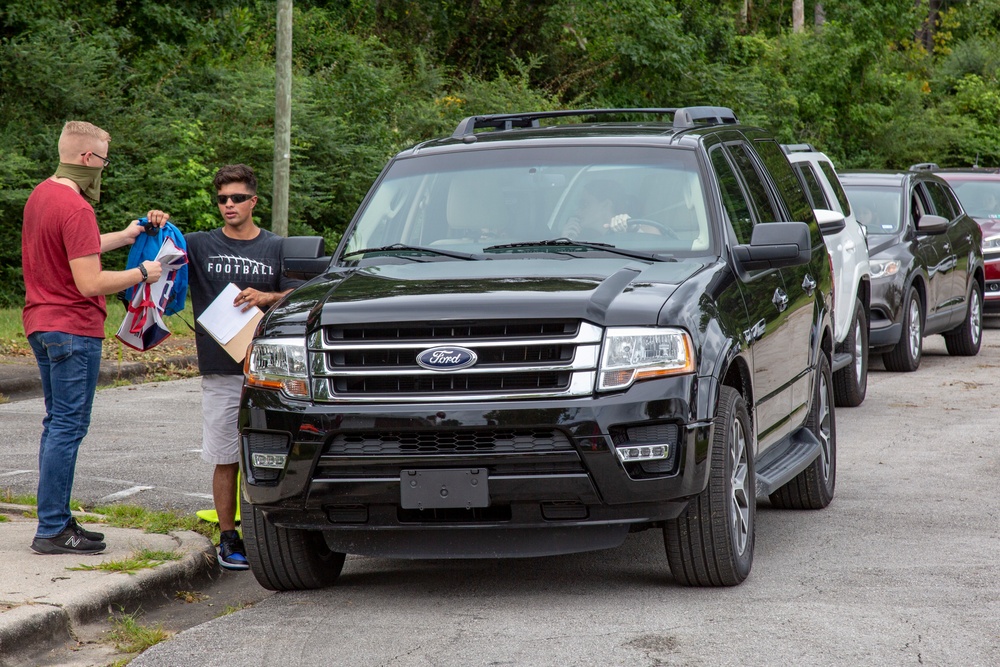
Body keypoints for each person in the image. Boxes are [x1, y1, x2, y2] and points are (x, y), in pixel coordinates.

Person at [22, 120, 167, 555]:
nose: (104, 166)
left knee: (57, 424)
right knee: (68, 426)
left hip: (40, 323)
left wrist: (124, 237)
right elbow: (89, 282)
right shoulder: (77, 206)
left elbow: (76, 247)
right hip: (73, 328)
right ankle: (51, 529)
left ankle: (57, 519)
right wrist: (144, 272)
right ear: (88, 158)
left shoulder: (43, 195)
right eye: (103, 158)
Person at [185, 164, 302, 570]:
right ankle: (228, 537)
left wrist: (266, 296)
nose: (228, 205)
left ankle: (278, 530)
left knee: (274, 450)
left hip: (268, 369)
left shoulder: (275, 247)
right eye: (222, 199)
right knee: (225, 455)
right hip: (220, 367)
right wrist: (155, 223)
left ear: (254, 201)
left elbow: (301, 294)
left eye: (237, 198)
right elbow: (159, 253)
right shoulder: (198, 245)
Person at [560, 179, 658, 237]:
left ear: (606, 205)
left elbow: (658, 250)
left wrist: (633, 229)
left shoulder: (638, 228)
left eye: (584, 204)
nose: (577, 210)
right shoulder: (579, 238)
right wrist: (565, 242)